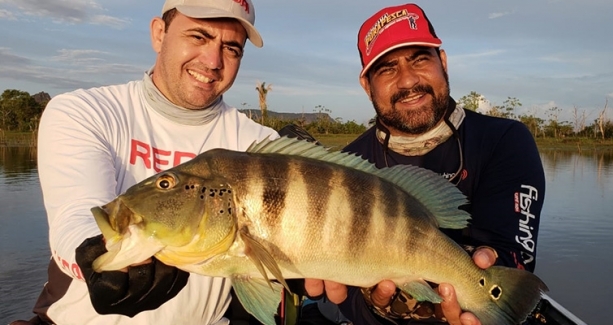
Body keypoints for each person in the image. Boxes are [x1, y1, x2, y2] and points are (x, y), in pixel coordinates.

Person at [11, 0, 278, 324]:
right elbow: (75, 217)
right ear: (159, 33)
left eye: (232, 48)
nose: (212, 61)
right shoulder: (84, 112)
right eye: (198, 36)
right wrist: (95, 259)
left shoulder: (259, 147)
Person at [303, 3, 545, 325]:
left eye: (419, 58)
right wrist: (378, 309)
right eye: (387, 68)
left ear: (442, 62)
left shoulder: (503, 140)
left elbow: (514, 256)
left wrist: (488, 265)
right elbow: (344, 293)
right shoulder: (348, 167)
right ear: (367, 85)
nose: (407, 80)